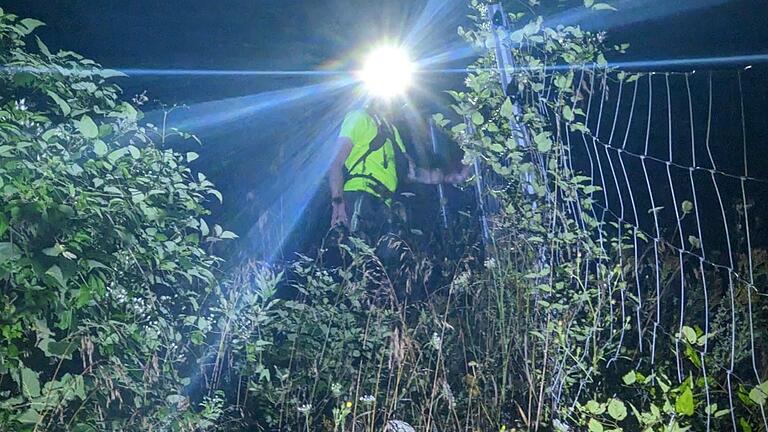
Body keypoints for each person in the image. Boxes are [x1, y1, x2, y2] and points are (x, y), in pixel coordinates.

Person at [328, 100, 467, 242]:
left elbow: (411, 172)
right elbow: (336, 163)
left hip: (385, 205)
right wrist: (338, 204)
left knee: (381, 259)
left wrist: (448, 176)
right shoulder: (359, 118)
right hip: (360, 196)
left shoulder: (392, 131)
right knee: (360, 251)